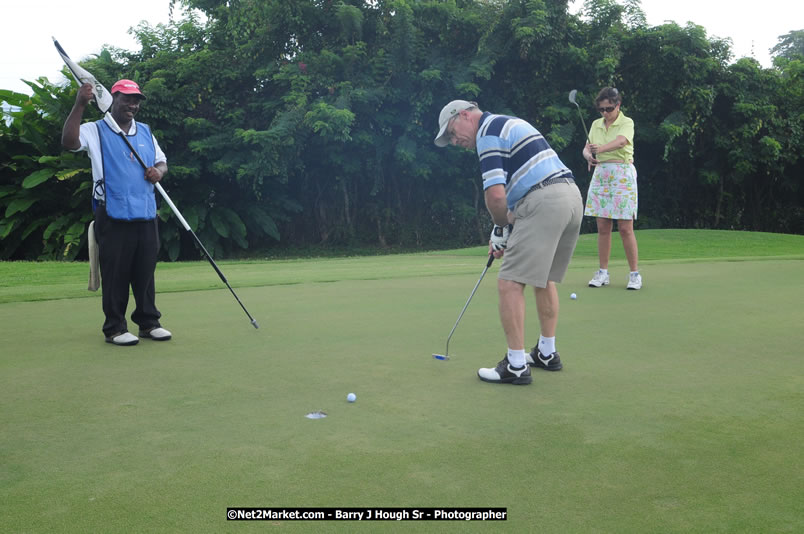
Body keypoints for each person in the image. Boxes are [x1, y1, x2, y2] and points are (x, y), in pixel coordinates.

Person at [434, 100, 583, 385]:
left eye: (452, 133)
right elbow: (515, 199)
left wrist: (502, 227)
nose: (454, 141)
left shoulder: (487, 133)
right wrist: (504, 227)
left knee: (510, 282)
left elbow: (496, 197)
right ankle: (546, 353)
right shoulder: (506, 123)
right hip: (570, 197)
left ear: (464, 115)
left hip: (543, 201)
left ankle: (516, 365)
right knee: (543, 279)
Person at [62, 79, 172, 346]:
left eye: (136, 100)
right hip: (112, 213)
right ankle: (115, 328)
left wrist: (158, 171)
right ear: (113, 99)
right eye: (126, 99)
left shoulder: (145, 131)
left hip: (145, 212)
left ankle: (148, 322)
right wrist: (79, 104)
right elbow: (69, 142)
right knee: (116, 272)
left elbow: (162, 162)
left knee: (145, 270)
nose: (132, 105)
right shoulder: (95, 130)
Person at [583, 87, 642, 290]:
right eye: (601, 110)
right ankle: (603, 273)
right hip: (601, 174)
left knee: (625, 228)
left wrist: (600, 149)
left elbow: (621, 141)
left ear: (618, 105)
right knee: (602, 227)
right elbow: (587, 147)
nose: (605, 113)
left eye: (609, 109)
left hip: (622, 174)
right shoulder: (595, 124)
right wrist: (588, 155)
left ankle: (634, 274)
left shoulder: (627, 122)